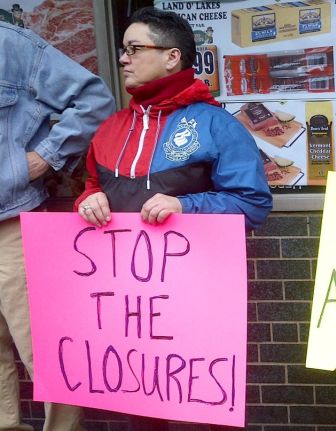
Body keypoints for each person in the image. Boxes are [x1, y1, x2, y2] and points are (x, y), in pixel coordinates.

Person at [73, 7, 272, 430]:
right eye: (122, 50)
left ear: (172, 57)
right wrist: (88, 200)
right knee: (142, 415)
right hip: (129, 309)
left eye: (135, 48)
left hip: (200, 301)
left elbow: (253, 204)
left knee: (205, 412)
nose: (123, 58)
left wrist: (187, 206)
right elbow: (91, 186)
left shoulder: (216, 126)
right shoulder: (108, 129)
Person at [0, 20, 115, 431]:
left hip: (12, 223)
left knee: (47, 349)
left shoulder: (9, 44)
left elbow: (95, 99)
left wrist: (41, 158)